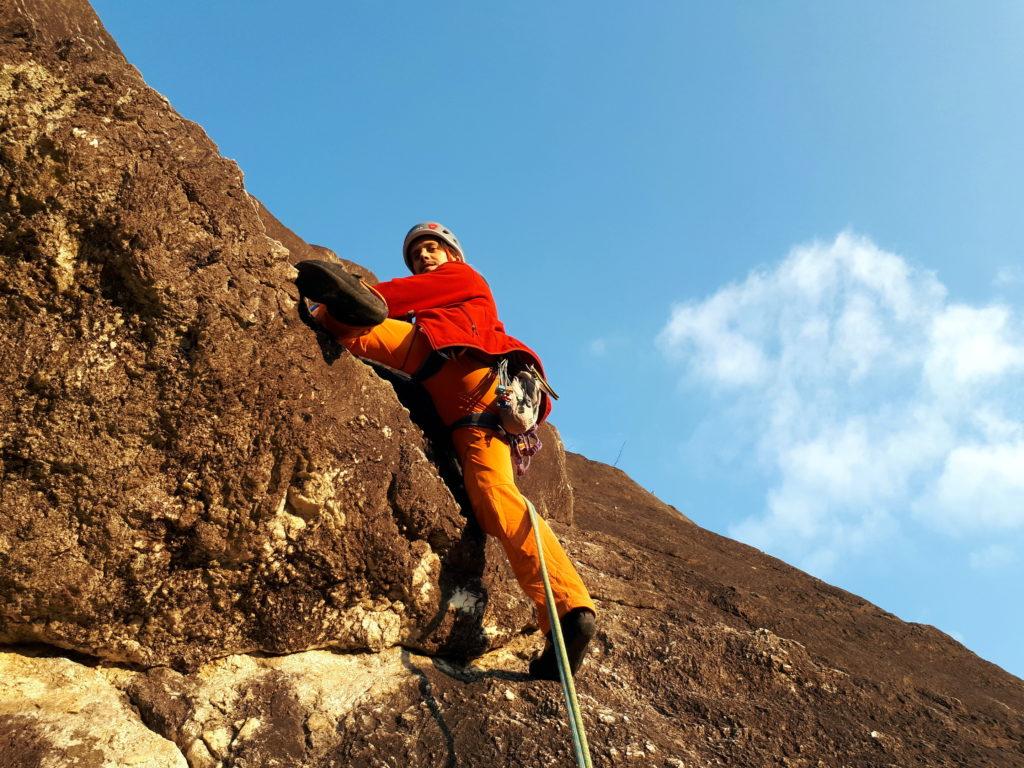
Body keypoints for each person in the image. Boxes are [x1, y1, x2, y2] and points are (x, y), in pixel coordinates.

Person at [295, 221, 596, 679]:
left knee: (354, 323)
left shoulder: (465, 277)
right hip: (468, 407)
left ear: (452, 254)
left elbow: (401, 295)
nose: (425, 258)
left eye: (432, 250)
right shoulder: (451, 287)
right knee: (496, 497)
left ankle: (342, 304)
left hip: (454, 362)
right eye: (418, 255)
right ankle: (569, 610)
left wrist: (368, 295)